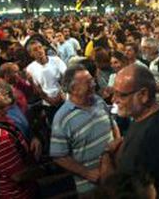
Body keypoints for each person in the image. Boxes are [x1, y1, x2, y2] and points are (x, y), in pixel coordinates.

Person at [105, 64, 159, 199]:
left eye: (121, 95)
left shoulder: (147, 137)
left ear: (143, 95)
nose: (114, 100)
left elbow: (119, 190)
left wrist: (106, 156)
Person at [50, 65, 117, 196]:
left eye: (92, 80)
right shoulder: (62, 118)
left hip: (115, 175)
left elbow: (113, 126)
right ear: (73, 89)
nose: (94, 84)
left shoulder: (98, 101)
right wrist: (87, 173)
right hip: (92, 187)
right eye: (88, 82)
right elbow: (59, 156)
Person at [26, 40, 66, 121]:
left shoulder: (56, 60)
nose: (39, 51)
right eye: (35, 50)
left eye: (40, 47)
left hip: (63, 98)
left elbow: (66, 78)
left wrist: (60, 94)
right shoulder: (30, 68)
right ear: (31, 54)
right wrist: (49, 100)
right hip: (47, 103)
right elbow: (37, 89)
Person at [141, 37, 159, 108]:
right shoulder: (152, 63)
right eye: (143, 48)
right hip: (155, 103)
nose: (143, 50)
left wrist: (151, 88)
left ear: (153, 49)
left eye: (146, 48)